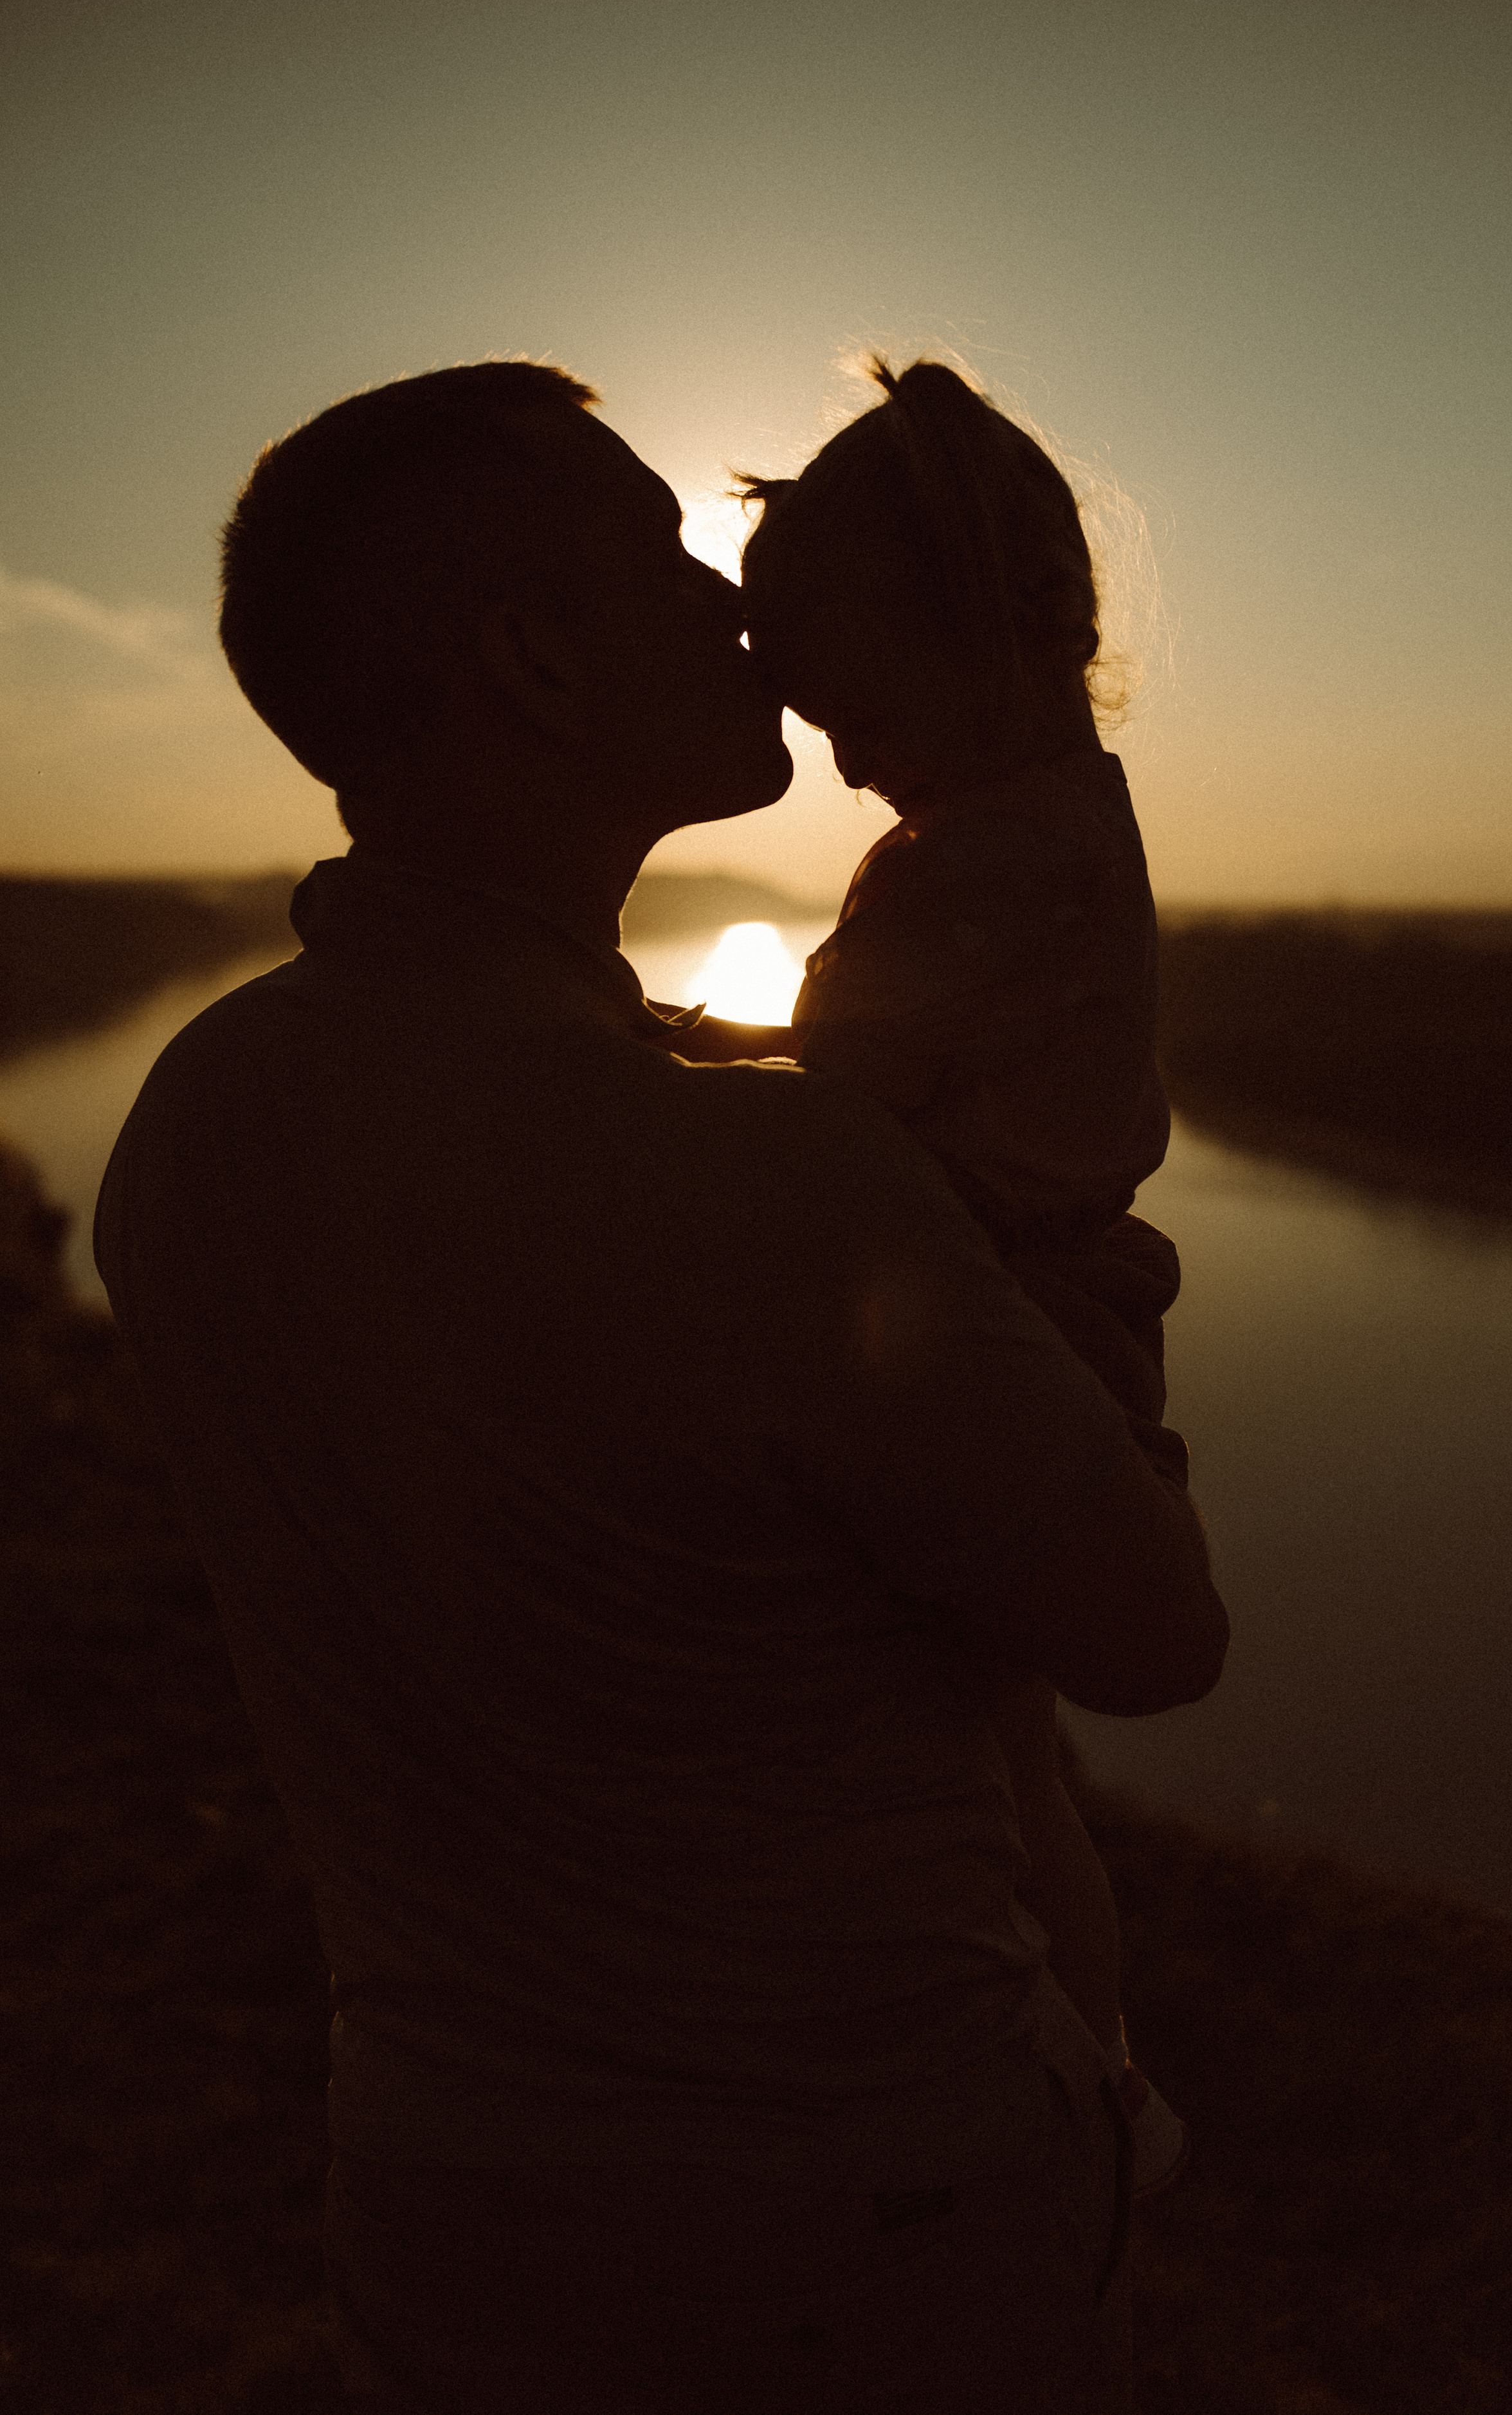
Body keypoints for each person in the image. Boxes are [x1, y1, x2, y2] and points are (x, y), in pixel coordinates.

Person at [95, 359, 1228, 2413]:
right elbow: (1155, 1628)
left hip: (440, 2213)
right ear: (529, 660)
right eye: (659, 555)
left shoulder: (190, 1126)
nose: (732, 607)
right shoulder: (782, 1187)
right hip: (872, 2240)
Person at [720, 357, 1189, 2194]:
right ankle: (1092, 2071)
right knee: (1005, 1762)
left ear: (1000, 625)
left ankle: (1080, 2085)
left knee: (981, 1760)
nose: (835, 756)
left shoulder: (976, 869)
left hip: (1017, 1318)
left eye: (852, 702)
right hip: (1051, 1297)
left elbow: (838, 1110)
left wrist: (652, 1059)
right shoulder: (1067, 815)